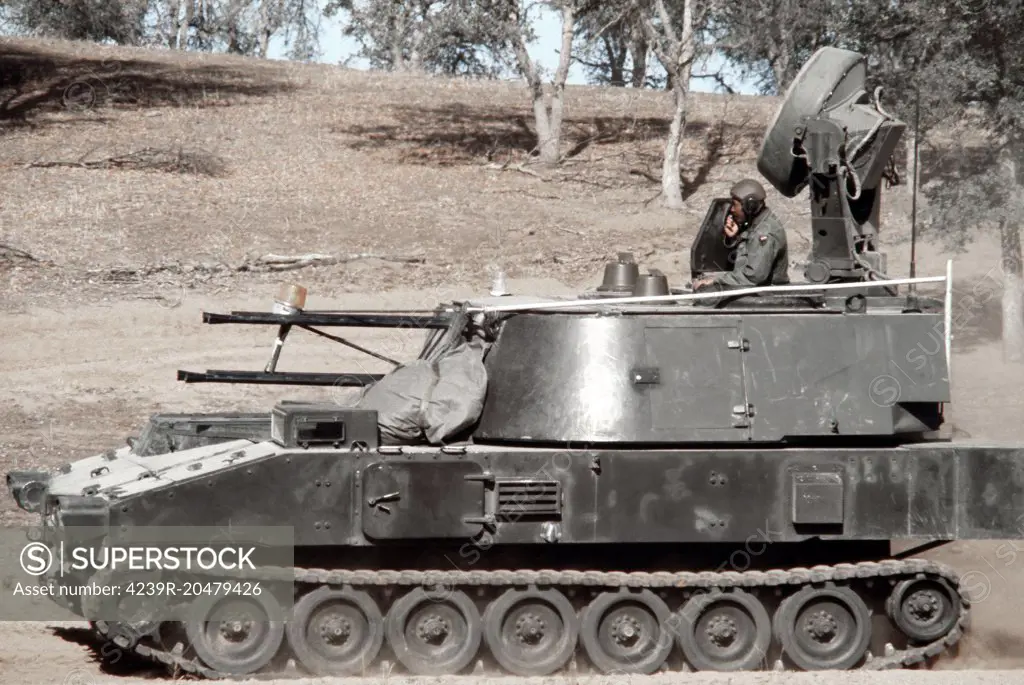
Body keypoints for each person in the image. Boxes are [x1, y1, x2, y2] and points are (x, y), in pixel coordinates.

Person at [692, 178, 790, 292]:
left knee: (706, 297)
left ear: (750, 206)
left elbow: (753, 277)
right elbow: (748, 255)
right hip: (757, 289)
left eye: (735, 204)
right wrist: (736, 236)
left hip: (766, 294)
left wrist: (716, 280)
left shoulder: (764, 232)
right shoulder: (758, 223)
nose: (732, 209)